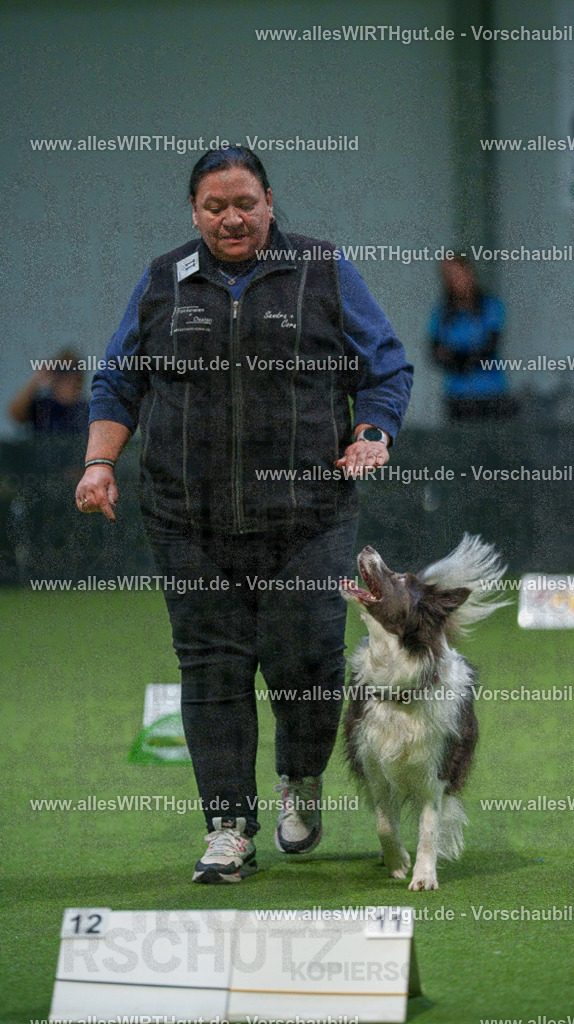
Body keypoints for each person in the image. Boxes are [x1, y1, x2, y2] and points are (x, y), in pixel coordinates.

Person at [75, 145, 413, 883]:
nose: (231, 218)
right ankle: (228, 826)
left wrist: (372, 430)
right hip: (186, 517)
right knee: (212, 670)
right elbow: (117, 378)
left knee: (307, 662)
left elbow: (385, 364)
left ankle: (299, 778)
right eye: (214, 207)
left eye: (245, 203)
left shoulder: (322, 270)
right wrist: (100, 463)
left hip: (308, 515)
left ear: (268, 202)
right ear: (194, 213)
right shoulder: (165, 280)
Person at [429, 255, 516, 419]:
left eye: (459, 274)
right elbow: (434, 353)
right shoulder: (441, 313)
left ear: (470, 273)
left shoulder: (490, 306)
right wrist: (469, 355)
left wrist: (455, 357)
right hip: (457, 396)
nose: (457, 281)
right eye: (450, 276)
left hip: (491, 394)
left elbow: (488, 349)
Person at [9, 349, 89, 433]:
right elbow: (16, 414)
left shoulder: (87, 411)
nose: (71, 380)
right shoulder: (43, 407)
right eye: (64, 371)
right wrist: (36, 381)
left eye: (75, 371)